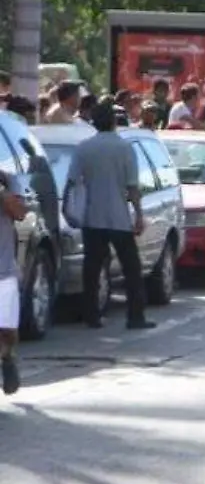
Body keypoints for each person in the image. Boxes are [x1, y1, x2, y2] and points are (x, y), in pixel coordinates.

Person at [66, 102, 156, 330]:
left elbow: (72, 181)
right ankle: (135, 316)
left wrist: (69, 209)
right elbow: (132, 186)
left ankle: (91, 315)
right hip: (119, 217)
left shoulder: (84, 148)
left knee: (92, 267)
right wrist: (138, 214)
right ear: (114, 122)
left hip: (92, 215)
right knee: (131, 268)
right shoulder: (125, 148)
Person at [0, 170, 28, 394]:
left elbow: (20, 213)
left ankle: (7, 357)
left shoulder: (6, 181)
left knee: (7, 329)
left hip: (3, 272)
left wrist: (4, 192)